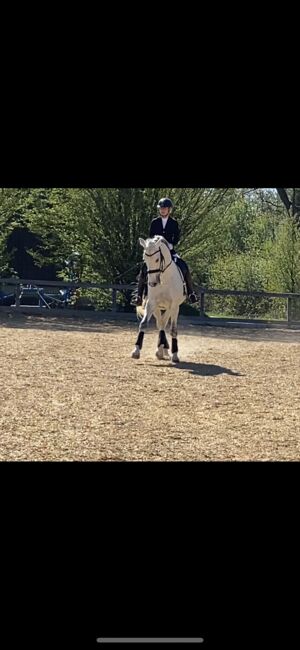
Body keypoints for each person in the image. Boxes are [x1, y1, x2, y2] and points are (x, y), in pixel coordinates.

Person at [135, 197, 197, 305]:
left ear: (169, 210)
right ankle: (139, 296)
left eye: (165, 208)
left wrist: (171, 244)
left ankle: (191, 293)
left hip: (170, 251)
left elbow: (176, 237)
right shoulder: (155, 222)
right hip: (155, 252)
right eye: (161, 208)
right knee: (144, 268)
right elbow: (151, 236)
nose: (162, 210)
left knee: (183, 265)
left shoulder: (174, 223)